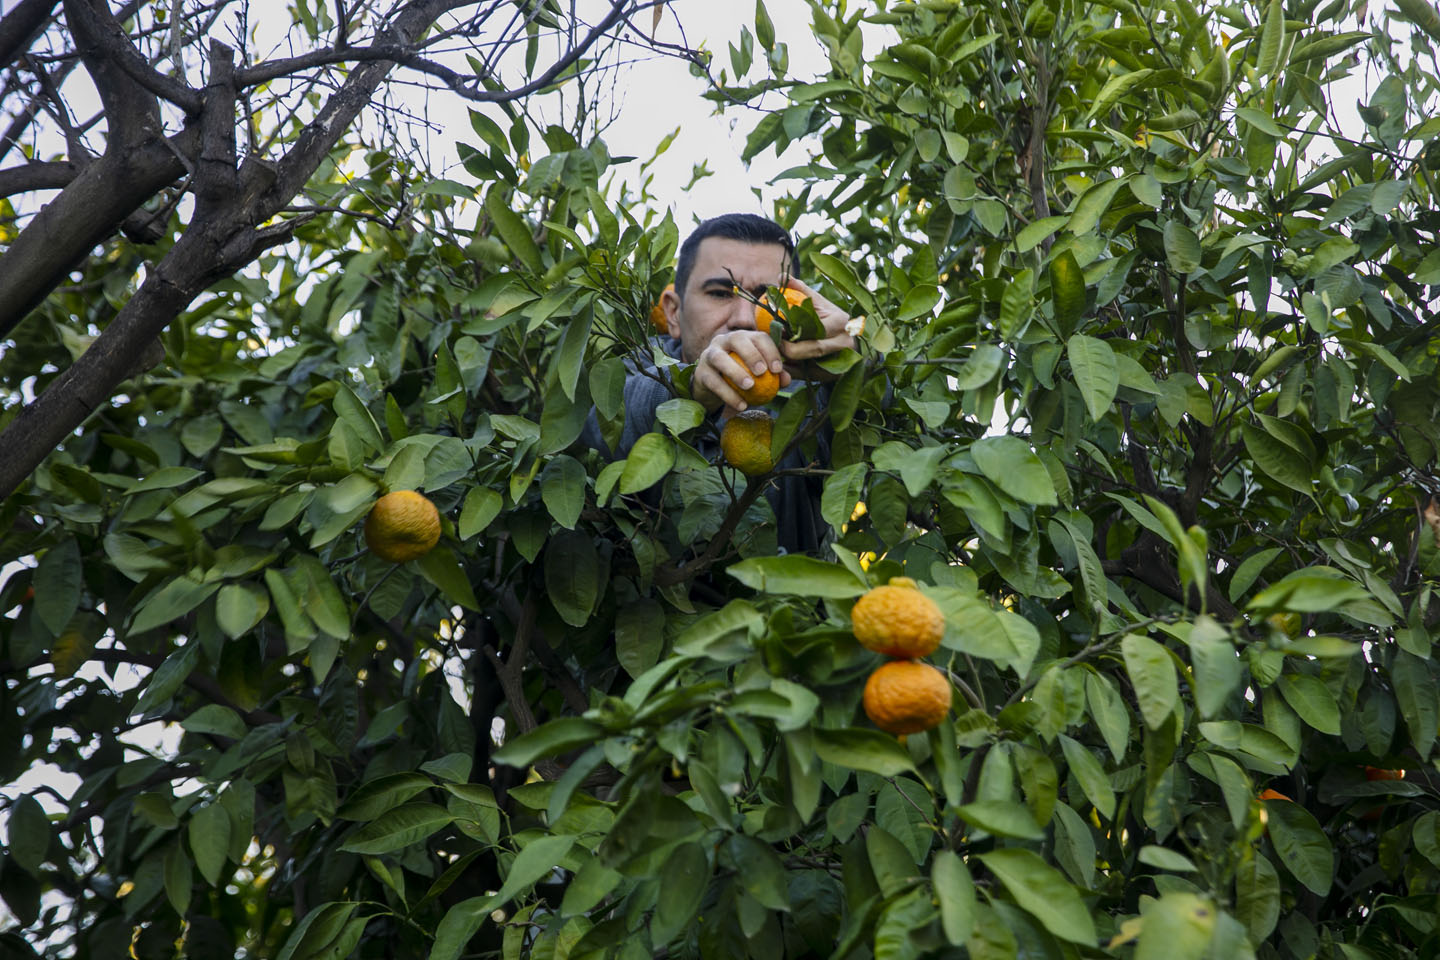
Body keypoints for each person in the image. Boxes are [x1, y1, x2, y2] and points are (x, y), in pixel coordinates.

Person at [581, 213, 857, 555]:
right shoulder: (638, 370)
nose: (743, 318)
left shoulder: (808, 398)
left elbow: (884, 425)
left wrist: (857, 362)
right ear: (672, 313)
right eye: (719, 293)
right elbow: (602, 429)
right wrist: (690, 389)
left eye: (767, 298)